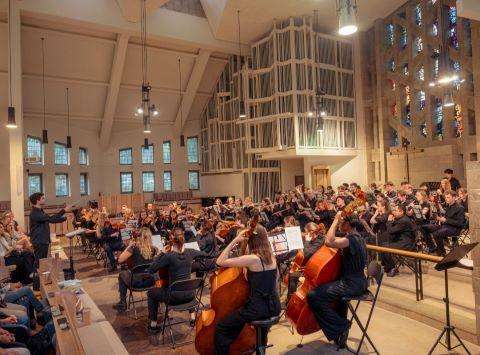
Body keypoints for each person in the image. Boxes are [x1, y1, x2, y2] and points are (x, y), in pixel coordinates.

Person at [214, 224, 281, 355]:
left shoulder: (253, 259)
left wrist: (235, 240)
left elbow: (220, 261)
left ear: (251, 240)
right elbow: (276, 280)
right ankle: (261, 345)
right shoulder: (271, 257)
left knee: (222, 328)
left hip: (258, 309)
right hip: (275, 306)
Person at [306, 211, 367, 349]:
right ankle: (339, 330)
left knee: (313, 296)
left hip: (352, 284)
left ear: (348, 224)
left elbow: (329, 241)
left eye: (341, 223)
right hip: (357, 281)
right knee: (334, 297)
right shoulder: (357, 237)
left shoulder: (351, 239)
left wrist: (334, 220)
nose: (339, 224)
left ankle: (342, 325)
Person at [146, 228, 205, 334]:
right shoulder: (190, 252)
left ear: (172, 239)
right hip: (191, 296)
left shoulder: (168, 256)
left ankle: (153, 325)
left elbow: (151, 269)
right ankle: (192, 318)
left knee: (151, 293)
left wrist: (161, 254)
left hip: (173, 298)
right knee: (187, 283)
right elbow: (205, 254)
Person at [113, 228, 156, 313]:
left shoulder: (133, 247)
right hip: (150, 281)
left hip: (137, 282)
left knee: (122, 274)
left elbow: (120, 260)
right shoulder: (154, 249)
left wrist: (128, 246)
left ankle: (123, 303)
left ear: (138, 237)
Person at [28, 193, 71, 265]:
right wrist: (64, 211)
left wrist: (65, 217)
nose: (44, 199)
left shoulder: (40, 211)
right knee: (39, 261)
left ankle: (41, 274)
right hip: (39, 240)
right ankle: (37, 275)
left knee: (43, 260)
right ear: (37, 201)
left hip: (42, 240)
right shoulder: (35, 213)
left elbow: (51, 219)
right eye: (43, 198)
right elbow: (51, 219)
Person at [424, 190, 465, 256]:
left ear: (454, 198)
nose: (446, 199)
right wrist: (438, 218)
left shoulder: (460, 208)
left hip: (454, 229)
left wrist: (445, 220)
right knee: (425, 227)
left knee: (436, 234)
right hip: (445, 226)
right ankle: (432, 247)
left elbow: (460, 223)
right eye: (445, 197)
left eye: (448, 197)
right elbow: (444, 217)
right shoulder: (447, 206)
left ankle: (441, 253)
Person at [381, 205, 415, 276]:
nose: (393, 213)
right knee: (383, 245)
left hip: (405, 243)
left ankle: (392, 268)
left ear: (401, 212)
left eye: (395, 211)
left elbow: (390, 231)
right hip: (401, 241)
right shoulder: (401, 219)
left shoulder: (403, 221)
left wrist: (389, 221)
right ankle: (387, 267)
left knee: (385, 248)